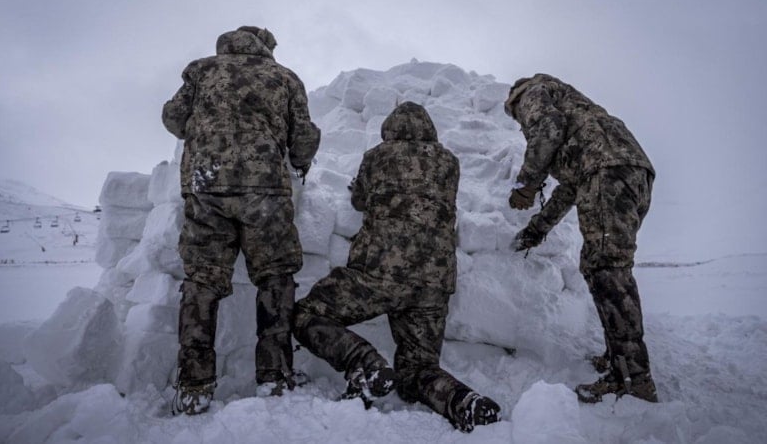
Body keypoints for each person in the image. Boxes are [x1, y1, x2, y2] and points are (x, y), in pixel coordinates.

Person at [293, 102, 501, 432]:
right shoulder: (450, 162)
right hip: (433, 284)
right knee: (418, 369)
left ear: (389, 129)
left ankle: (366, 364)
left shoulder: (377, 156)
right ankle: (462, 401)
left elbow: (359, 201)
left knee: (306, 314)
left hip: (379, 274)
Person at [162, 26, 320, 415]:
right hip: (264, 188)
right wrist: (299, 162)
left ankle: (194, 385)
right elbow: (303, 137)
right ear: (265, 46)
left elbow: (173, 118)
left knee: (202, 279)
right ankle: (275, 377)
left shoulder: (201, 70)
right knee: (275, 276)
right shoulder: (284, 76)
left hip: (206, 183)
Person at [503, 73, 658, 403]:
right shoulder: (579, 115)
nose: (521, 123)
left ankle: (632, 378)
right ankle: (619, 359)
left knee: (607, 269)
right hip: (631, 173)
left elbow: (548, 127)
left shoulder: (531, 93)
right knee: (604, 265)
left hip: (607, 170)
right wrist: (537, 229)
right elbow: (570, 189)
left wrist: (526, 184)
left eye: (518, 120)